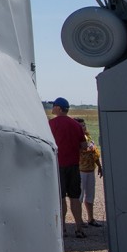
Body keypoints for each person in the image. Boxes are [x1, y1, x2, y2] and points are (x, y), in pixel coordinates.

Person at [48, 97, 87, 238]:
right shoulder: (76, 125)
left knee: (61, 196)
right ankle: (78, 227)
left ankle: (63, 227)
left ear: (58, 108)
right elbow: (83, 145)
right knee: (75, 197)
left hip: (58, 165)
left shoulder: (51, 124)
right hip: (74, 165)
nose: (52, 108)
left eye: (53, 106)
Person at [77, 119, 103, 227]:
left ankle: (91, 218)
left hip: (90, 170)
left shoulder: (89, 137)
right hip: (80, 170)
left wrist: (99, 166)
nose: (83, 128)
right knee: (79, 196)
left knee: (90, 195)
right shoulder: (75, 139)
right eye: (80, 126)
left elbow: (95, 153)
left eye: (84, 125)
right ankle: (79, 220)